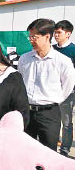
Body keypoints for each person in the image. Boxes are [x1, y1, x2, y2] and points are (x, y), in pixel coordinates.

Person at [18, 19, 75, 150]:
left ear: (47, 37)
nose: (31, 40)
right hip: (27, 113)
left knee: (48, 152)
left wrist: (56, 100)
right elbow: (20, 82)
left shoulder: (62, 61)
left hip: (49, 114)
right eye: (30, 36)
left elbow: (68, 85)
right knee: (26, 151)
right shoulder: (24, 59)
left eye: (34, 37)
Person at [53, 20, 75, 156]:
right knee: (54, 120)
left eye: (59, 32)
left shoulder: (73, 50)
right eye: (55, 32)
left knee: (66, 122)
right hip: (53, 91)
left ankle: (65, 150)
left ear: (68, 34)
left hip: (69, 92)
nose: (56, 35)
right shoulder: (52, 50)